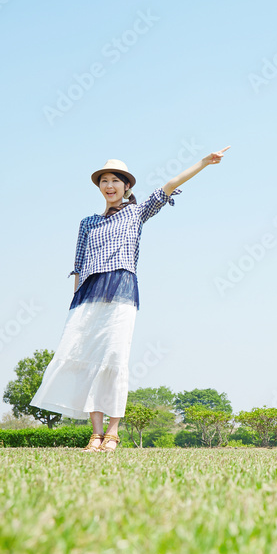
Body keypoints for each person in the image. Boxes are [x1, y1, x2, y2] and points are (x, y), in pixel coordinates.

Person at [30, 146, 230, 452]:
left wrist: (204, 162)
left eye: (115, 181)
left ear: (127, 186)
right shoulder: (87, 223)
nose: (109, 186)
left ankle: (113, 431)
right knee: (86, 360)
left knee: (114, 357)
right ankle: (94, 434)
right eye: (104, 181)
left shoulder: (136, 212)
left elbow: (169, 186)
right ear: (100, 187)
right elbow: (79, 266)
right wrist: (74, 306)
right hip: (88, 295)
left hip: (121, 288)